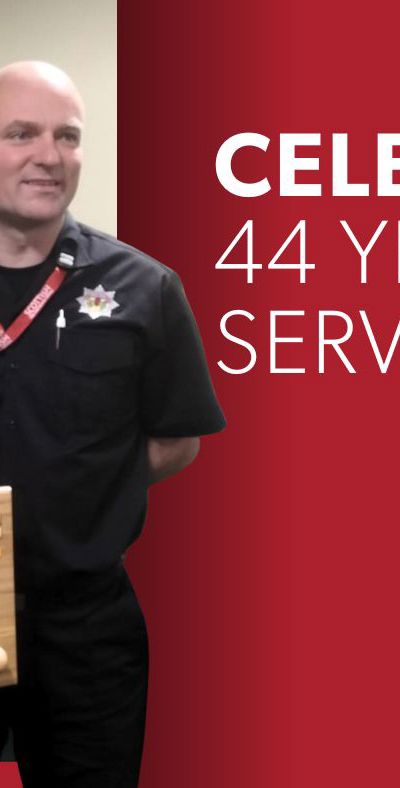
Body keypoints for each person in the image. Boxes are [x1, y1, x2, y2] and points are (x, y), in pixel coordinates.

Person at [0, 60, 225, 786]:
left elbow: (173, 441)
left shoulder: (143, 288)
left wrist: (77, 484)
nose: (48, 155)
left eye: (67, 136)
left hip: (85, 629)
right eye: (20, 133)